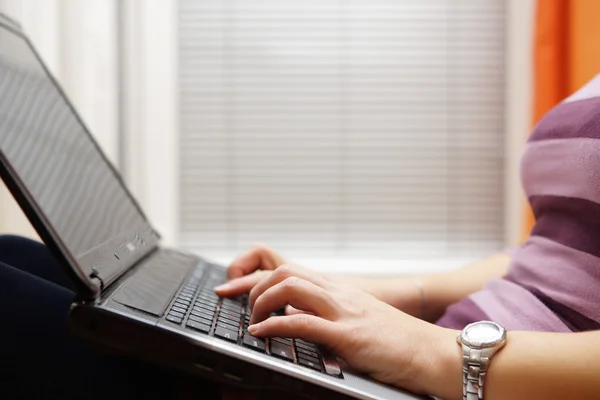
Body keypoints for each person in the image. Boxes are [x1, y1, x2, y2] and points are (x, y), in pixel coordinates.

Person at [2, 78, 600, 400]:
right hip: (443, 357)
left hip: (478, 384)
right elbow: (550, 254)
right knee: (14, 255)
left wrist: (425, 354)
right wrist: (363, 301)